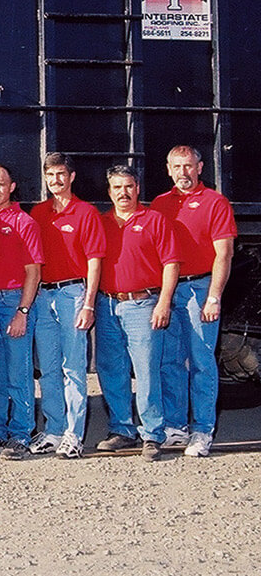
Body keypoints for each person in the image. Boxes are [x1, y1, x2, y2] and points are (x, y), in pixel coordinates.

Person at [152, 145, 236, 457]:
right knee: (170, 362)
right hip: (168, 291)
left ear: (200, 168)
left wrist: (213, 296)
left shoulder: (216, 203)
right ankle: (175, 427)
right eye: (177, 167)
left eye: (188, 166)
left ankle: (202, 430)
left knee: (202, 362)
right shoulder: (160, 205)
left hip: (200, 289)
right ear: (168, 169)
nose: (183, 173)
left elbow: (223, 254)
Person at [94, 165, 180, 461]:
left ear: (138, 188)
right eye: (117, 187)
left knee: (145, 371)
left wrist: (164, 302)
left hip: (143, 305)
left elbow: (171, 264)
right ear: (109, 192)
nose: (123, 192)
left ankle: (152, 433)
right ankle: (121, 428)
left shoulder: (155, 220)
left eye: (128, 186)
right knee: (111, 369)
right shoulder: (102, 222)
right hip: (107, 305)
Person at [29, 152, 105, 458]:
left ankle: (74, 433)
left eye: (61, 174)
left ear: (71, 177)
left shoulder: (86, 213)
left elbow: (95, 262)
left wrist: (88, 304)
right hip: (43, 297)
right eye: (50, 175)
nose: (55, 180)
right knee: (47, 369)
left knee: (73, 368)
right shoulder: (38, 213)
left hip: (73, 294)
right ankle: (55, 429)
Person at [0, 164, 42, 461]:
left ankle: (20, 434)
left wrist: (23, 311)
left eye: (1, 184)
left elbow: (33, 272)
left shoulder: (24, 222)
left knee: (19, 372)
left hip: (12, 301)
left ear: (12, 187)